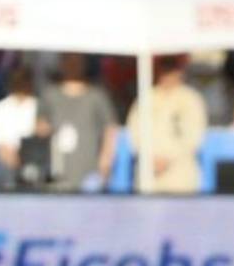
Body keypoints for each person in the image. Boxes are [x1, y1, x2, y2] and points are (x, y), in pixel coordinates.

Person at [37, 54, 118, 193]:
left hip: (90, 172)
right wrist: (44, 129)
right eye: (69, 60)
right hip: (58, 171)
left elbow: (110, 128)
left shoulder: (96, 96)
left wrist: (106, 159)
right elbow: (39, 126)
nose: (72, 65)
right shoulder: (50, 95)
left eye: (77, 61)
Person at [126, 55, 208, 194]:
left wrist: (168, 159)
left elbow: (195, 137)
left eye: (172, 69)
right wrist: (150, 158)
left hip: (181, 176)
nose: (168, 74)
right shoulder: (147, 97)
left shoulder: (190, 99)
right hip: (150, 176)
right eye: (164, 69)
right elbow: (134, 132)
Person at [0, 67, 37, 192]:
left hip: (30, 157)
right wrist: (10, 157)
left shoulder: (37, 106)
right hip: (4, 156)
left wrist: (22, 156)